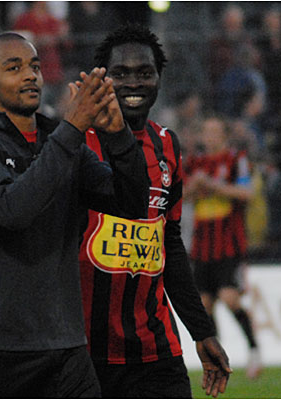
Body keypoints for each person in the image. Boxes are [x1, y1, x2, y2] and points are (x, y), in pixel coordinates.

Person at [0, 32, 149, 398]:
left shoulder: (61, 140)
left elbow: (132, 205)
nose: (30, 75)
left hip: (64, 346)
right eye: (14, 67)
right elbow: (14, 209)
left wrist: (118, 135)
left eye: (35, 67)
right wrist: (72, 130)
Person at [78, 25, 232, 399]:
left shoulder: (167, 145)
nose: (134, 83)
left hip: (155, 350)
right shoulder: (75, 142)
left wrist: (202, 330)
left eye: (145, 73)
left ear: (159, 78)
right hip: (83, 352)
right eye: (121, 73)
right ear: (102, 78)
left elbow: (169, 243)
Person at [184, 116, 262, 380]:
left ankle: (254, 350)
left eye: (215, 132)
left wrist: (214, 186)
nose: (210, 137)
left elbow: (248, 193)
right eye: (206, 131)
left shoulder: (235, 159)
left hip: (229, 244)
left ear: (224, 136)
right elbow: (179, 196)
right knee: (205, 306)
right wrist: (194, 188)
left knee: (229, 297)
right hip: (202, 246)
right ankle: (217, 359)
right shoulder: (194, 164)